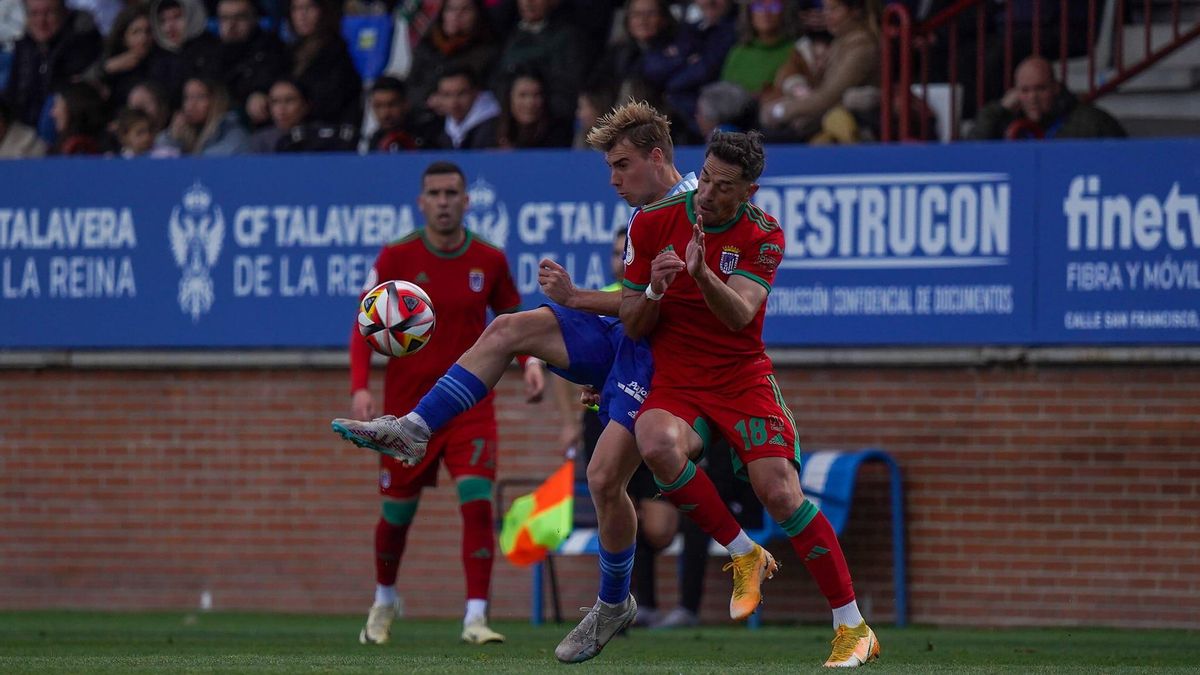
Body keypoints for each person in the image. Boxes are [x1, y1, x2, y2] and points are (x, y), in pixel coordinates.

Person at [328, 101, 697, 663]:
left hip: (669, 364)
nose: (613, 180)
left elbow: (652, 313)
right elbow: (639, 307)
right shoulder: (644, 217)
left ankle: (578, 605)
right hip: (618, 344)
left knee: (600, 480)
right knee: (506, 330)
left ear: (656, 157)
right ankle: (413, 430)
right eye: (609, 168)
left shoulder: (696, 209)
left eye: (621, 166)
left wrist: (575, 303)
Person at [619, 130, 879, 667]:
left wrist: (701, 273)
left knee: (780, 494)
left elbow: (740, 315)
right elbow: (632, 321)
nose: (709, 194)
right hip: (679, 376)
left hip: (741, 376)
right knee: (656, 441)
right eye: (707, 179)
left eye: (725, 187)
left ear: (750, 191)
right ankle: (744, 553)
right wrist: (653, 291)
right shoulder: (650, 223)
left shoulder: (765, 235)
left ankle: (853, 627)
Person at [346, 161, 546, 648]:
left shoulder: (489, 259)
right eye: (433, 193)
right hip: (404, 411)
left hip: (468, 407)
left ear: (466, 200)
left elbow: (514, 320)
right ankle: (384, 598)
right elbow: (363, 325)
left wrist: (532, 363)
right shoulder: (396, 257)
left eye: (451, 192)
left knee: (477, 506)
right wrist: (360, 386)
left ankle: (475, 616)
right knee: (396, 516)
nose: (442, 201)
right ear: (421, 201)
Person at [759, 0, 880, 143]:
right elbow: (818, 88)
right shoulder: (841, 42)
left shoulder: (862, 46)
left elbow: (829, 96)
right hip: (825, 114)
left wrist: (780, 111)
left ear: (855, 11)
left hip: (859, 123)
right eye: (825, 10)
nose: (827, 16)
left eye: (833, 10)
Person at [968, 55, 1126, 141]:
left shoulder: (1092, 121)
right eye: (1025, 90)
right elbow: (970, 155)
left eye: (1040, 89)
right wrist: (999, 109)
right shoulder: (1004, 121)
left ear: (1055, 88)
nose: (1032, 98)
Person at [5, 0, 102, 126]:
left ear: (64, 13)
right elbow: (12, 92)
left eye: (49, 13)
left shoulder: (82, 41)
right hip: (22, 128)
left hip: (61, 126)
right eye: (34, 14)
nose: (41, 22)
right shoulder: (25, 45)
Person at [284, 0, 361, 126]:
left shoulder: (337, 51)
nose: (302, 15)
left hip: (325, 128)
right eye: (296, 9)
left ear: (324, 11)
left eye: (310, 7)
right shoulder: (287, 52)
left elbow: (332, 100)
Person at [431, 65, 499, 150]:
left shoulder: (497, 127)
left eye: (461, 94)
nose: (453, 103)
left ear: (476, 93)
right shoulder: (435, 127)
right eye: (446, 95)